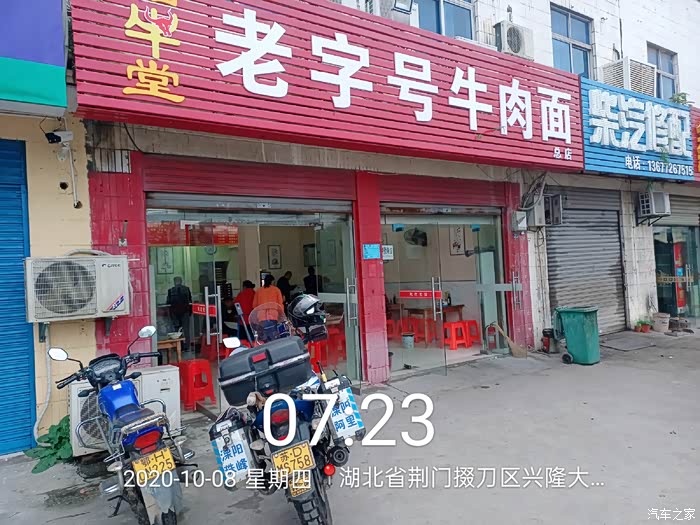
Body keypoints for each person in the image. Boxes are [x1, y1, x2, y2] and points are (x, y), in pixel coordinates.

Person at [166, 277, 192, 346]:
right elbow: (190, 301)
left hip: (176, 313)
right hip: (184, 312)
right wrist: (190, 312)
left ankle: (180, 346)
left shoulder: (171, 290)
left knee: (177, 330)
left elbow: (168, 302)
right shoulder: (186, 289)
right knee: (186, 330)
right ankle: (187, 346)